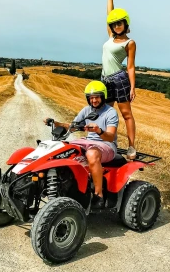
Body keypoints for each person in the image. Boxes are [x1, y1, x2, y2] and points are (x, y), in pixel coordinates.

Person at [44, 81, 118, 209]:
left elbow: (110, 136)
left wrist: (98, 130)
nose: (94, 100)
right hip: (87, 141)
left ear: (103, 96)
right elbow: (71, 127)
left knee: (91, 154)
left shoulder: (111, 112)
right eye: (91, 98)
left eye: (97, 97)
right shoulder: (86, 110)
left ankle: (98, 195)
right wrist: (55, 123)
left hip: (106, 145)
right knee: (62, 148)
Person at [103, 0, 137, 160]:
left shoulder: (129, 43)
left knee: (126, 114)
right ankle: (110, 143)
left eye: (119, 23)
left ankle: (131, 146)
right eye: (114, 24)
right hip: (105, 80)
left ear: (125, 24)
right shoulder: (110, 36)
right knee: (106, 114)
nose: (116, 26)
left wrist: (132, 87)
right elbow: (110, 14)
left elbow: (130, 66)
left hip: (120, 80)